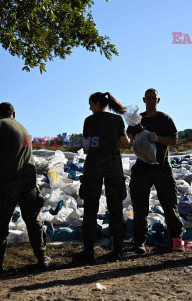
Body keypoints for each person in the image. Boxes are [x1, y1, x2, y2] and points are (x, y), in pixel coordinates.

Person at [0, 102, 50, 274]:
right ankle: (43, 258)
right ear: (14, 114)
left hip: (9, 180)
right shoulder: (23, 128)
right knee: (33, 220)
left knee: (1, 221)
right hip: (29, 179)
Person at [76, 92, 131, 262]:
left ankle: (89, 251)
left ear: (98, 104)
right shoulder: (117, 120)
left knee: (90, 207)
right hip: (113, 164)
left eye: (91, 103)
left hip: (93, 164)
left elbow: (86, 146)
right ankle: (118, 250)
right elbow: (125, 144)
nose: (89, 107)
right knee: (115, 206)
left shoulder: (89, 121)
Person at [126, 88, 183, 254]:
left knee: (169, 204)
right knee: (140, 206)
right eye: (148, 98)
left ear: (158, 100)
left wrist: (157, 138)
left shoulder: (165, 119)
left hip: (162, 168)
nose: (151, 101)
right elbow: (129, 139)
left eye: (154, 98)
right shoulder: (137, 119)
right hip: (142, 168)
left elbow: (174, 140)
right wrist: (132, 139)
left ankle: (176, 241)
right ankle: (139, 243)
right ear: (144, 100)